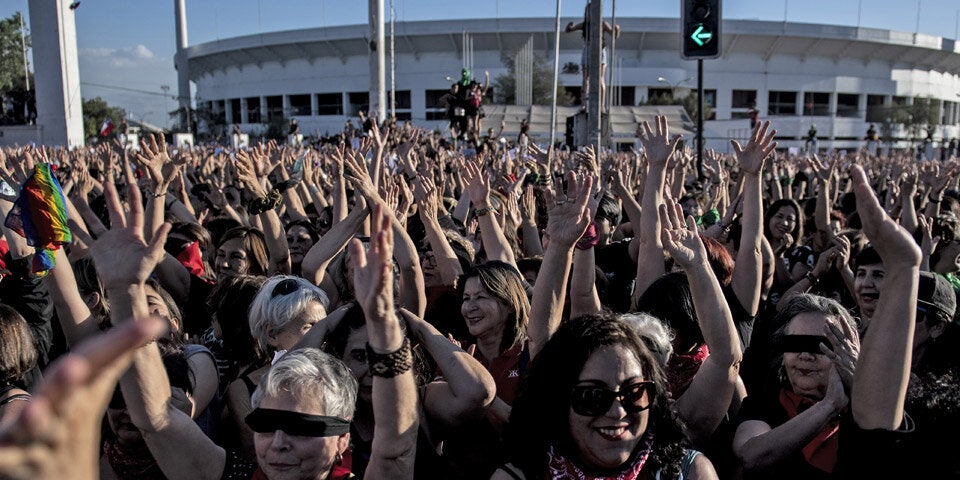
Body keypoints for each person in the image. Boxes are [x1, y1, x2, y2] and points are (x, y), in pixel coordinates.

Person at [493, 314, 718, 479]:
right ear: (558, 402)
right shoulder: (517, 477)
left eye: (634, 392)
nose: (617, 411)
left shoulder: (690, 473)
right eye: (593, 396)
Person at [565, 0, 621, 109]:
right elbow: (569, 30)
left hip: (600, 50)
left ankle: (601, 105)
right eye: (589, 11)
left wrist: (617, 29)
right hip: (588, 49)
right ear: (586, 12)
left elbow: (614, 36)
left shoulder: (603, 24)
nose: (591, 13)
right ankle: (584, 104)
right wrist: (570, 26)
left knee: (600, 78)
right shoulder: (584, 24)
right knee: (585, 78)